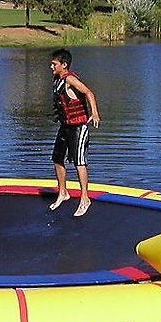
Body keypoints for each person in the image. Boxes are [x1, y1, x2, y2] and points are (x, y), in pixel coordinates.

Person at [49, 48, 100, 217]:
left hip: (79, 127)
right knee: (57, 158)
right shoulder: (57, 80)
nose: (51, 66)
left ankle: (85, 198)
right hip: (65, 126)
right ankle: (63, 192)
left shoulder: (69, 79)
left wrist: (94, 113)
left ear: (64, 65)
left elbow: (88, 92)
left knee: (79, 161)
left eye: (54, 64)